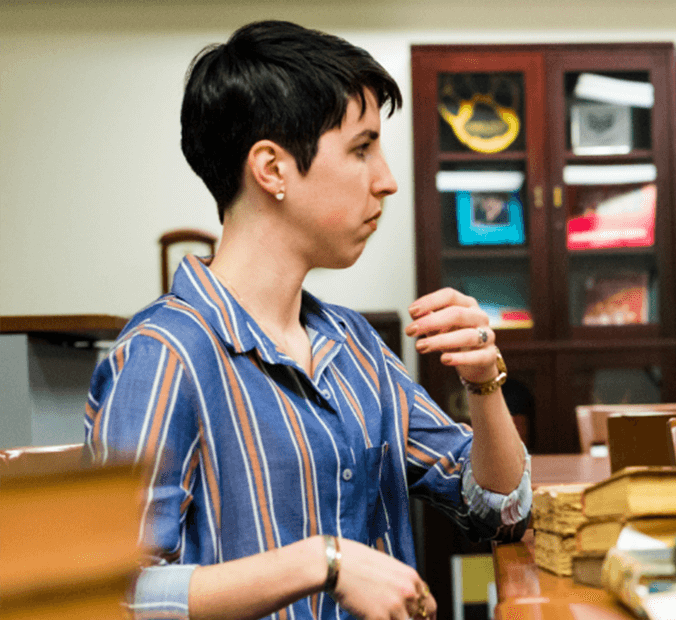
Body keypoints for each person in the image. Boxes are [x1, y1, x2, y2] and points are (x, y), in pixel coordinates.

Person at [84, 21, 530, 620]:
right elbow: (108, 595)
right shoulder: (164, 354)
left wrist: (483, 384)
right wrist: (322, 561)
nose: (388, 181)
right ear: (272, 169)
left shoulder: (355, 345)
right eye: (361, 148)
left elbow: (500, 512)